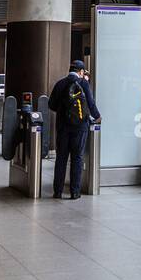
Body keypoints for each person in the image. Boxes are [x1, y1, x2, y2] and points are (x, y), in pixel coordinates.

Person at [48, 60, 100, 200]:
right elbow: (90, 102)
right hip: (80, 127)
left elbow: (51, 104)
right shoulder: (83, 84)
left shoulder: (60, 83)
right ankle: (74, 192)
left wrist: (62, 111)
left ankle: (57, 191)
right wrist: (97, 116)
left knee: (61, 159)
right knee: (77, 158)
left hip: (63, 127)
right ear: (81, 71)